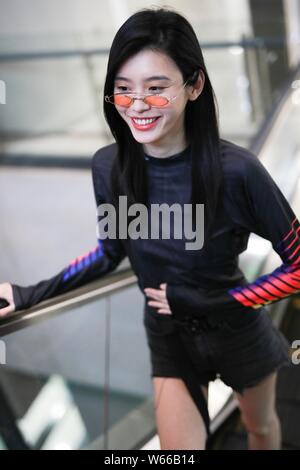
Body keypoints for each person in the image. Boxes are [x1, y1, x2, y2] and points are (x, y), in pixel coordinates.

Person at [0, 7, 299, 450]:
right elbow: (109, 252)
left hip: (236, 329)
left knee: (260, 429)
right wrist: (29, 295)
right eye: (123, 91)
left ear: (194, 86)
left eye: (156, 89)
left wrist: (209, 299)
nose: (137, 106)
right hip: (167, 332)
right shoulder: (110, 166)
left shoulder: (238, 171)